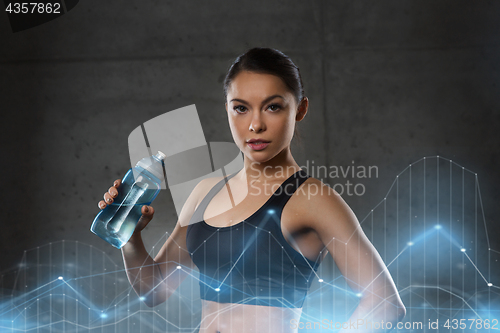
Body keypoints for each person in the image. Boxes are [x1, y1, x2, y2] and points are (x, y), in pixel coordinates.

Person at [98, 47, 406, 332]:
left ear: (299, 109)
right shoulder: (206, 192)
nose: (255, 125)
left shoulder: (313, 199)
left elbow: (385, 303)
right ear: (228, 110)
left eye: (272, 107)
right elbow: (154, 290)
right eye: (241, 108)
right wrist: (130, 235)